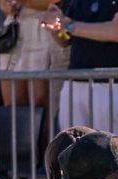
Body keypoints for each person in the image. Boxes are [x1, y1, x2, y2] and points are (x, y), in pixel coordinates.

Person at [40, 0, 118, 133]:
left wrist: (69, 25)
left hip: (111, 86)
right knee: (70, 144)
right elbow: (65, 40)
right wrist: (55, 25)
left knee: (109, 145)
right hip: (75, 84)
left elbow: (115, 31)